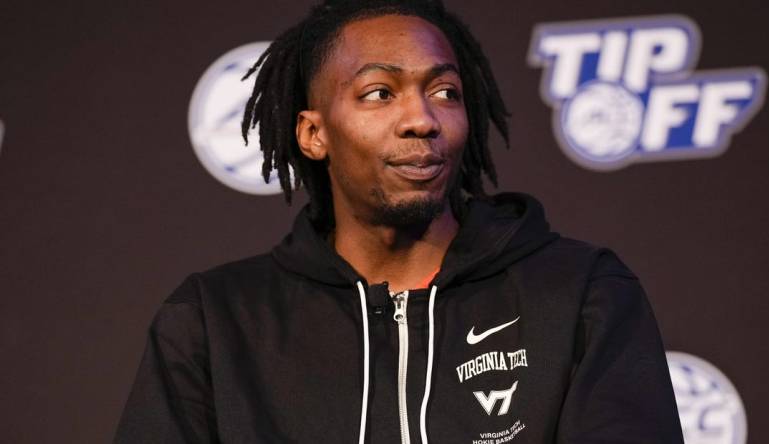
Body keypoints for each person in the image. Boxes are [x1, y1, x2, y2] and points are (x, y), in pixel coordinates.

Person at [114, 1, 683, 442]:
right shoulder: (214, 324)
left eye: (444, 92)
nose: (422, 118)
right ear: (314, 134)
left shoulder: (581, 292)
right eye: (380, 92)